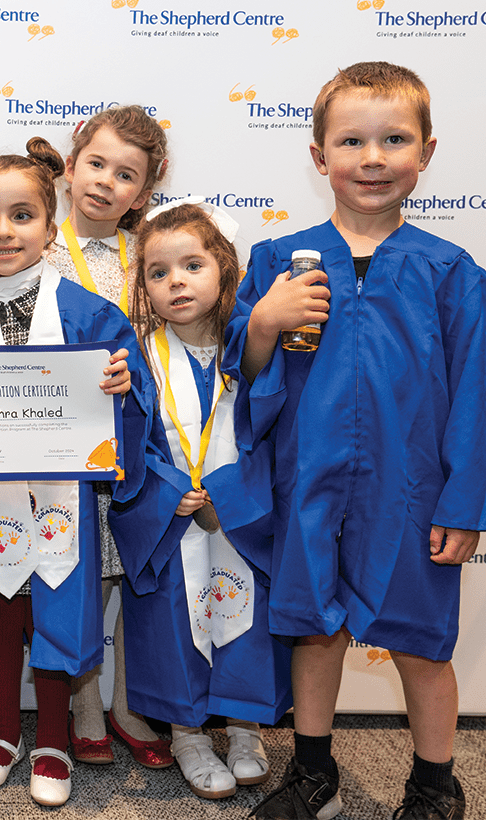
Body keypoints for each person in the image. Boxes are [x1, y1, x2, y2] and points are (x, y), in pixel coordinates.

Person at [228, 62, 483, 820]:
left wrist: (465, 503)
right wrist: (265, 322)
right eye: (352, 142)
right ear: (319, 158)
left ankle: (435, 781)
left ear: (427, 153)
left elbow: (475, 395)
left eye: (394, 139)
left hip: (413, 491)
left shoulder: (450, 272)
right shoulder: (281, 261)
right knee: (314, 631)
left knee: (422, 643)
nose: (373, 159)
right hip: (309, 483)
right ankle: (312, 771)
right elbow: (246, 371)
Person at [0, 137, 151, 807]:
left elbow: (132, 412)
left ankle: (51, 737)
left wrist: (122, 386)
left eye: (21, 215)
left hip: (61, 499)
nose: (3, 231)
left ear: (50, 222)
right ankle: (2, 731)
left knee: (53, 607)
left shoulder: (92, 314)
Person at [110, 198, 291, 800]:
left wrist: (230, 494)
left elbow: (273, 425)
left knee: (245, 622)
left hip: (242, 513)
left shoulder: (252, 344)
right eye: (158, 273)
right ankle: (187, 734)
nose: (176, 282)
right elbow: (127, 438)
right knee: (171, 622)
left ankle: (243, 730)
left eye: (192, 266)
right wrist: (165, 487)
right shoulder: (136, 350)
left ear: (224, 269)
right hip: (173, 516)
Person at [46, 105, 175, 771]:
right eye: (95, 164)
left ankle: (130, 705)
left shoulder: (152, 255)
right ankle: (86, 703)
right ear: (70, 167)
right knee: (85, 579)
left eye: (125, 174)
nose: (104, 182)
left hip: (141, 439)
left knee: (136, 576)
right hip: (66, 444)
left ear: (143, 195)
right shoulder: (35, 243)